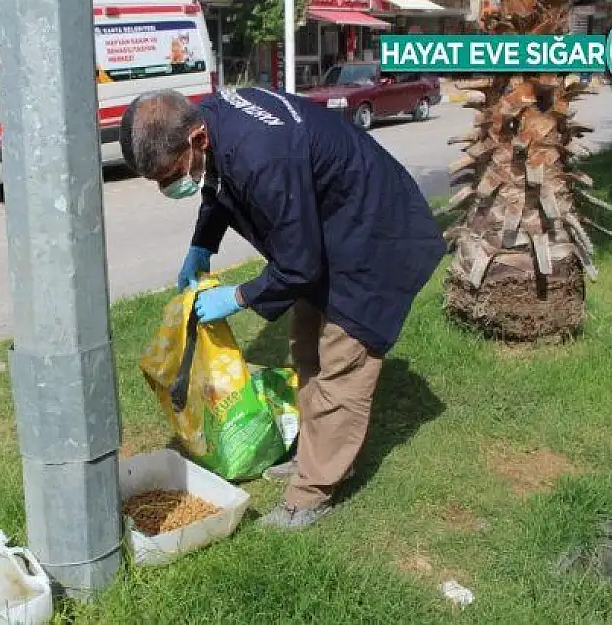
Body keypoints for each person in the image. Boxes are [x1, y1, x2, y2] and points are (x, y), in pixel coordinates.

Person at [118, 88, 445, 530]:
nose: (167, 187)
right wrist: (201, 246)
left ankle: (311, 495)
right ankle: (316, 452)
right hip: (328, 228)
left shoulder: (264, 157)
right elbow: (218, 187)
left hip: (375, 238)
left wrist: (237, 297)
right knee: (306, 348)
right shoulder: (208, 120)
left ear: (197, 139)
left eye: (170, 175)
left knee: (341, 366)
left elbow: (298, 264)